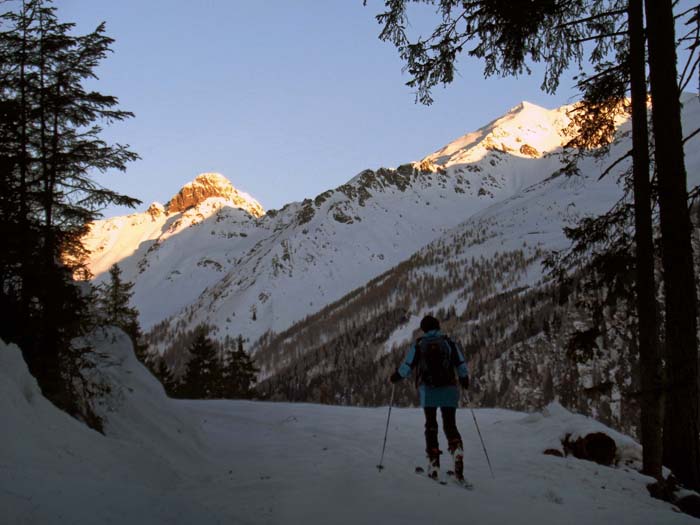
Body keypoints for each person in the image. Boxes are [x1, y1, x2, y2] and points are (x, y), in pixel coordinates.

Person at [389, 315, 469, 481]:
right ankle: (456, 450)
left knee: (431, 426)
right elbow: (460, 363)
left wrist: (396, 376)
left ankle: (433, 465)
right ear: (438, 327)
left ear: (423, 329)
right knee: (450, 425)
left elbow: (408, 365)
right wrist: (464, 379)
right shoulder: (448, 342)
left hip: (429, 391)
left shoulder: (419, 344)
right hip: (449, 390)